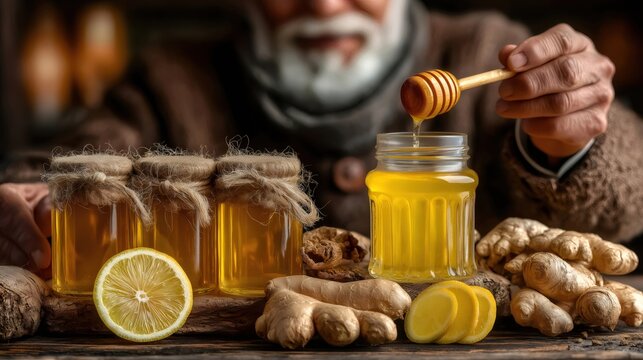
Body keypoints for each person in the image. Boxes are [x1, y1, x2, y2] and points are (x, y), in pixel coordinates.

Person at [1, 0, 642, 274]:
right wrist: (25, 196)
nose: (327, 5)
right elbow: (64, 164)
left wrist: (571, 143)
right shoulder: (175, 76)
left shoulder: (481, 46)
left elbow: (631, 195)